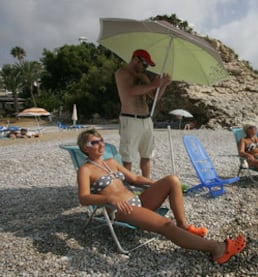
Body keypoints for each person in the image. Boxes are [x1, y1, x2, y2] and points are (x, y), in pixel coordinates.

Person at [77, 129, 246, 264]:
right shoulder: (85, 170)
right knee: (166, 225)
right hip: (122, 209)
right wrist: (109, 199)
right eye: (94, 142)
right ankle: (217, 249)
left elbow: (134, 179)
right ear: (85, 148)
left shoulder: (112, 162)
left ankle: (183, 226)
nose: (100, 144)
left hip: (139, 201)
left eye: (101, 141)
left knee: (172, 180)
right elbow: (83, 198)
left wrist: (155, 183)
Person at [115, 49, 172, 178]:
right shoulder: (122, 73)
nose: (145, 68)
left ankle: (146, 180)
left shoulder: (143, 76)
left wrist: (163, 85)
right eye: (145, 64)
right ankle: (128, 182)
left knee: (147, 153)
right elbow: (131, 91)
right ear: (136, 59)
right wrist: (154, 84)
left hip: (146, 119)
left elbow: (154, 96)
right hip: (130, 118)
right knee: (128, 154)